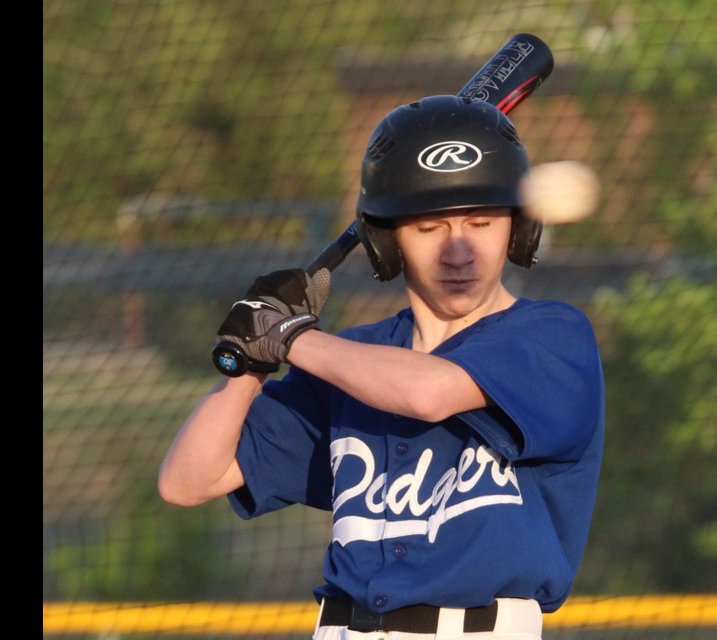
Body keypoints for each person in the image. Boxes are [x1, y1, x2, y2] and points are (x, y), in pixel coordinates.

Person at [158, 95, 605, 640]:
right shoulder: (352, 361)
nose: (459, 251)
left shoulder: (553, 338)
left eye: (481, 222)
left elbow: (428, 393)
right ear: (386, 242)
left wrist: (290, 337)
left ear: (517, 229)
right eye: (428, 229)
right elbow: (188, 481)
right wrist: (251, 364)